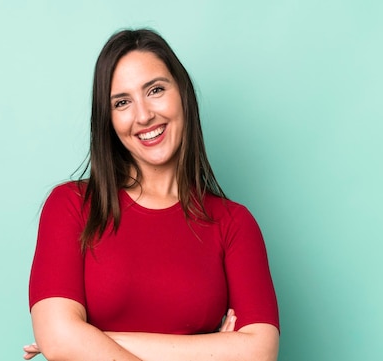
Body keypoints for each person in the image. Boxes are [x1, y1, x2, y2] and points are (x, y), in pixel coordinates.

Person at [23, 28, 279, 361]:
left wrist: (92, 339)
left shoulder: (234, 224)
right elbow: (59, 338)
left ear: (183, 94)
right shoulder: (72, 206)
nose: (144, 115)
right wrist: (213, 350)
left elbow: (259, 352)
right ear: (109, 120)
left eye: (155, 90)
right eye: (122, 102)